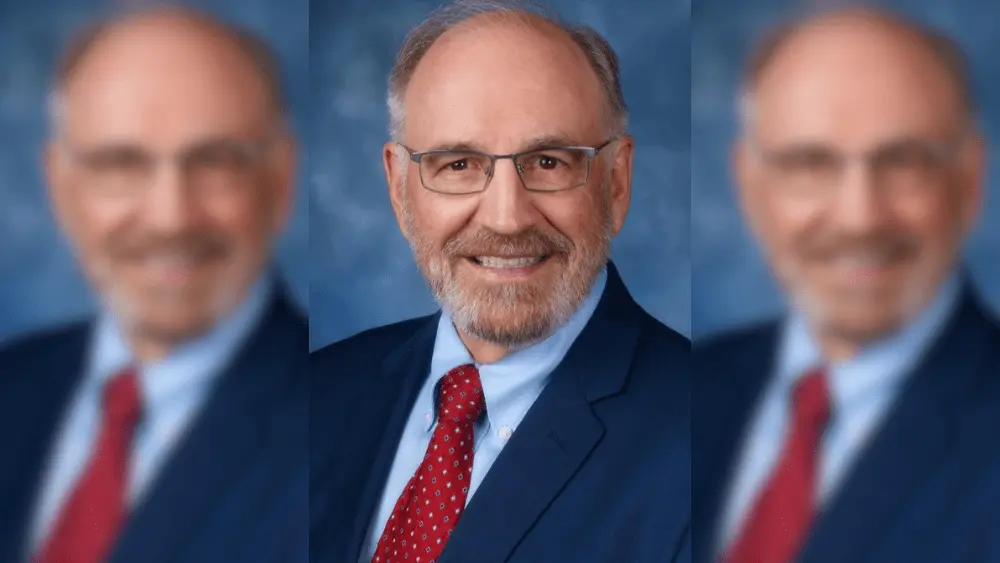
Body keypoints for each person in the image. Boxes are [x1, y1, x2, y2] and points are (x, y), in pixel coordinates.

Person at [309, 2, 691, 562]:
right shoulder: (317, 396)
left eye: (550, 162)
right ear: (398, 187)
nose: (506, 218)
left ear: (616, 183)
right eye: (458, 164)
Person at [693, 8, 1000, 563]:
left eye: (904, 161)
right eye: (810, 164)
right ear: (750, 186)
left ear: (970, 181)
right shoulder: (689, 391)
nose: (860, 217)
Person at [0, 8, 306, 563]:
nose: (170, 217)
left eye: (215, 162)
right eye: (121, 164)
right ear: (61, 187)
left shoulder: (345, 430)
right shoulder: (12, 387)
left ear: (280, 181)